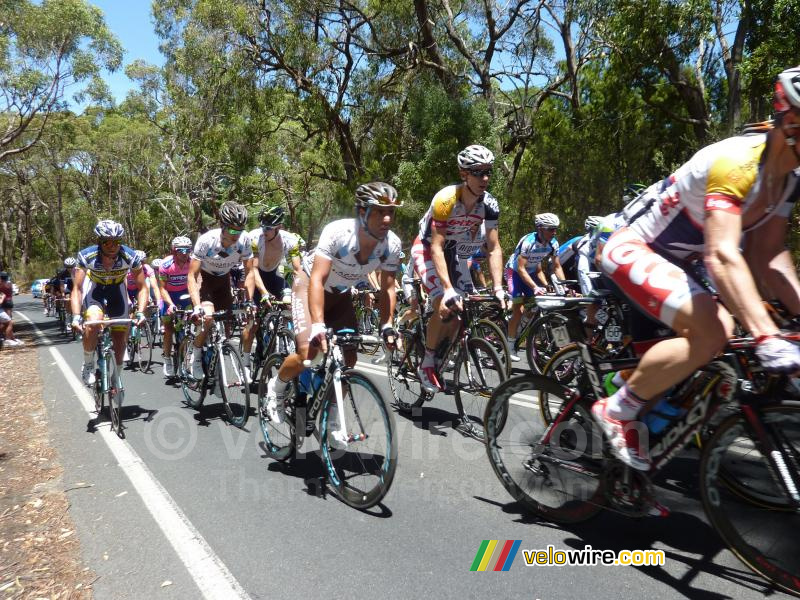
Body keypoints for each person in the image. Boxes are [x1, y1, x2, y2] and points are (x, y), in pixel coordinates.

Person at [593, 66, 800, 472]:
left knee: (725, 335)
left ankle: (638, 433)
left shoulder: (789, 179)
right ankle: (616, 409)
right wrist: (767, 336)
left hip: (677, 261)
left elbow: (769, 256)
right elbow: (721, 255)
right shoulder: (740, 161)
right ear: (791, 120)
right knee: (714, 329)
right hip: (632, 245)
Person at [264, 182, 403, 423]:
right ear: (363, 211)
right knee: (308, 353)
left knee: (349, 359)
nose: (388, 218)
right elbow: (317, 279)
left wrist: (387, 325)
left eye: (391, 211)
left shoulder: (391, 244)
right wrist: (318, 325)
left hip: (340, 295)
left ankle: (332, 419)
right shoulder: (338, 233)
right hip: (309, 286)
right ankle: (276, 387)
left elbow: (388, 287)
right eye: (380, 211)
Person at [411, 144, 508, 393]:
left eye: (488, 172)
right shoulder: (446, 200)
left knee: (461, 310)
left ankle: (443, 349)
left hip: (453, 251)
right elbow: (436, 247)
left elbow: (494, 248)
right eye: (478, 172)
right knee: (444, 303)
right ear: (464, 174)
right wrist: (447, 289)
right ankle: (427, 362)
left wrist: (498, 287)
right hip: (428, 249)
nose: (484, 178)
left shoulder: (489, 204)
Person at [71, 220, 147, 386]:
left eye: (117, 242)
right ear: (99, 241)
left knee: (119, 338)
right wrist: (76, 316)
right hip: (95, 290)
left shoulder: (130, 256)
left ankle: (116, 375)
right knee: (92, 323)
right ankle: (88, 363)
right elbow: (77, 288)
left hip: (117, 291)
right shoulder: (87, 255)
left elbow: (142, 287)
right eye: (107, 242)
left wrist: (141, 312)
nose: (113, 246)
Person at [187, 201, 254, 380]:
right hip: (205, 280)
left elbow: (250, 273)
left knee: (227, 325)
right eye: (232, 230)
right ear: (222, 226)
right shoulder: (207, 240)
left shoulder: (245, 240)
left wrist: (249, 301)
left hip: (224, 280)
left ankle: (219, 365)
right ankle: (196, 355)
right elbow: (192, 275)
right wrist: (196, 306)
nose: (236, 234)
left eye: (240, 230)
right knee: (208, 318)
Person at [242, 206, 304, 371]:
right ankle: (245, 363)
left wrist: (304, 291)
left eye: (268, 228)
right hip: (257, 277)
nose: (264, 231)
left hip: (275, 276)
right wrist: (263, 293)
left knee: (289, 306)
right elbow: (253, 270)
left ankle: (284, 341)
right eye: (262, 226)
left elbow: (297, 270)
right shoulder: (255, 237)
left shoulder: (290, 240)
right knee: (253, 323)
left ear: (279, 227)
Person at [505, 213, 565, 359]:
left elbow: (557, 267)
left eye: (555, 229)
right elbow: (520, 269)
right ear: (540, 228)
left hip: (531, 272)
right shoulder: (528, 242)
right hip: (515, 273)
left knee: (534, 307)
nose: (554, 232)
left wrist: (565, 285)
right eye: (551, 229)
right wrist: (535, 287)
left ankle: (519, 329)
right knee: (518, 310)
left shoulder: (553, 244)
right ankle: (510, 345)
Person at [157, 236, 193, 377]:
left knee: (190, 324)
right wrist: (170, 304)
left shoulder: (192, 262)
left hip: (185, 295)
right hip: (168, 296)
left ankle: (187, 356)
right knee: (168, 329)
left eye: (187, 250)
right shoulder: (165, 265)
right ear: (174, 251)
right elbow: (162, 288)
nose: (184, 253)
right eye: (181, 250)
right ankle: (167, 359)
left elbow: (197, 282)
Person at [0, 271, 22, 346]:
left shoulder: (5, 284)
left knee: (7, 321)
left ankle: (10, 338)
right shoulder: (7, 283)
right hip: (6, 303)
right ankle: (8, 338)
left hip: (6, 303)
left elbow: (4, 293)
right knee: (8, 321)